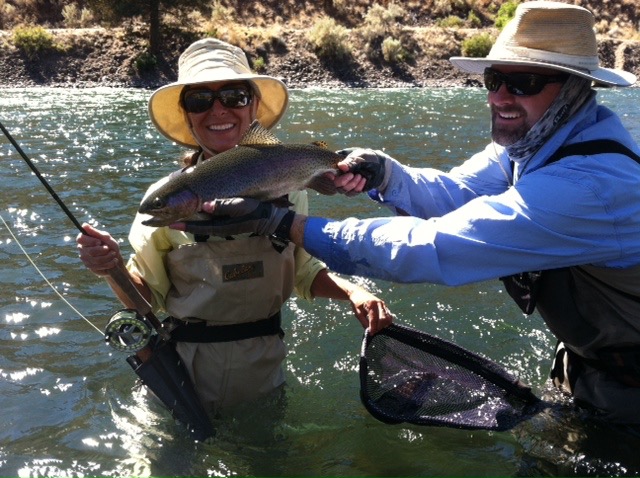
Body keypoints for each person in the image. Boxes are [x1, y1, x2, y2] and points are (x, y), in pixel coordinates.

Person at [171, 2, 640, 425]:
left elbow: (436, 247)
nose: (499, 97)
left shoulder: (587, 186)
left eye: (524, 82)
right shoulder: (534, 143)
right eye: (494, 79)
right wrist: (385, 174)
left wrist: (284, 224)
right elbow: (459, 193)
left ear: (576, 88)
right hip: (596, 367)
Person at [76, 38, 393, 415]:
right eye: (199, 100)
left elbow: (303, 273)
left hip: (266, 380)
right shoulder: (165, 200)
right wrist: (110, 268)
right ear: (188, 115)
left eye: (234, 96)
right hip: (182, 386)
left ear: (254, 105)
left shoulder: (287, 189)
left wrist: (355, 292)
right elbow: (145, 303)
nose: (218, 109)